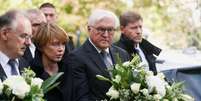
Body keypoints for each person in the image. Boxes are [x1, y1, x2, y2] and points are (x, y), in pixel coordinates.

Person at [64, 9, 129, 101]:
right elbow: (81, 97)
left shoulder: (122, 54)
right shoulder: (76, 58)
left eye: (110, 30)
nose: (106, 35)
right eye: (101, 29)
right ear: (89, 29)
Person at [31, 23, 72, 101]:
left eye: (63, 44)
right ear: (41, 46)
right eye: (55, 44)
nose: (61, 49)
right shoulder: (31, 72)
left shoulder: (70, 69)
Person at [0, 10, 32, 81]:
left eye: (30, 37)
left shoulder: (26, 65)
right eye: (23, 36)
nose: (28, 43)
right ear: (4, 34)